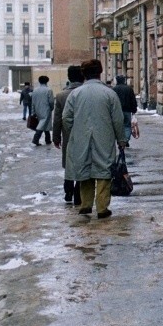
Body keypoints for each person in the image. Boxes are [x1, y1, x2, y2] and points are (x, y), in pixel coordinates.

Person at [63, 59, 127, 219]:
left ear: (84, 74)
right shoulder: (109, 93)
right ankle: (102, 208)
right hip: (104, 137)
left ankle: (86, 205)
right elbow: (118, 120)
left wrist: (74, 132)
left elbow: (66, 118)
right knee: (104, 170)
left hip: (81, 137)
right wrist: (121, 139)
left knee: (85, 169)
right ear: (100, 72)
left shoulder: (75, 94)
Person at [53, 65, 84, 208]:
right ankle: (78, 191)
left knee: (69, 163)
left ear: (69, 77)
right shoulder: (85, 93)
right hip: (85, 134)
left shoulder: (61, 95)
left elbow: (57, 119)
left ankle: (68, 191)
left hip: (67, 135)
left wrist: (56, 137)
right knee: (83, 163)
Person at [113, 74, 139, 146]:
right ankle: (126, 140)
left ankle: (120, 140)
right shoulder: (129, 89)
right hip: (127, 111)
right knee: (127, 126)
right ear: (124, 81)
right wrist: (134, 110)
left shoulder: (114, 89)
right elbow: (133, 100)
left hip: (117, 112)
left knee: (118, 126)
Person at [30, 75, 55, 146]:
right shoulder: (48, 90)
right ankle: (35, 139)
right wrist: (51, 108)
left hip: (37, 109)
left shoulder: (35, 90)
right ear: (47, 81)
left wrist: (33, 111)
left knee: (45, 124)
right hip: (46, 109)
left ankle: (48, 140)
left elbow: (33, 102)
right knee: (42, 124)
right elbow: (51, 101)